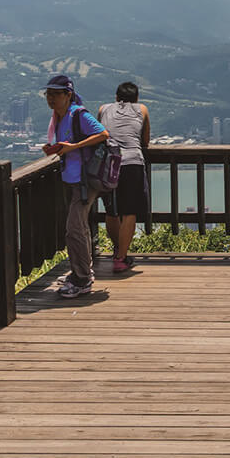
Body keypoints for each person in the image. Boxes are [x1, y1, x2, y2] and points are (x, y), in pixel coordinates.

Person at [41, 74, 108, 298]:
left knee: (74, 229)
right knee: (79, 228)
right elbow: (67, 146)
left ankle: (82, 279)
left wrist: (73, 147)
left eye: (55, 94)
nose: (50, 98)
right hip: (72, 179)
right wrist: (56, 149)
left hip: (85, 180)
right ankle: (82, 272)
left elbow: (103, 133)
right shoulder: (58, 117)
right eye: (48, 93)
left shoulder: (78, 114)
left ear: (68, 95)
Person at [98, 81, 150, 273]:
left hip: (109, 163)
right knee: (129, 211)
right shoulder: (142, 109)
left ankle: (117, 252)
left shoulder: (103, 109)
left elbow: (100, 135)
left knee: (112, 211)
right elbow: (145, 140)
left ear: (116, 97)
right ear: (136, 98)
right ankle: (121, 258)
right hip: (132, 163)